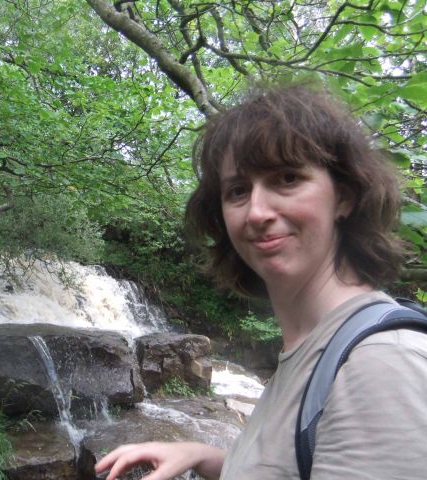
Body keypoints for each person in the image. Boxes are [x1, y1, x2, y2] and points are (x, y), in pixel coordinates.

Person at [95, 85, 427, 480]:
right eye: (237, 190)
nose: (256, 212)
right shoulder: (310, 348)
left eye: (287, 178)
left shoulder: (381, 366)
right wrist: (204, 456)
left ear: (344, 197)